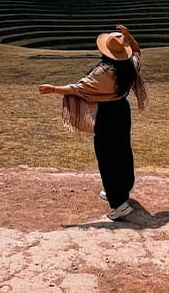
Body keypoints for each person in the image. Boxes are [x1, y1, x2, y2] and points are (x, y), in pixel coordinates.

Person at [39, 23, 149, 223]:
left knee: (107, 156)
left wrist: (53, 88)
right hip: (122, 111)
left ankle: (119, 205)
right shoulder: (131, 66)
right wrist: (128, 35)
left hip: (106, 115)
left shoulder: (103, 73)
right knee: (122, 151)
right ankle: (120, 191)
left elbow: (77, 88)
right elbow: (137, 51)